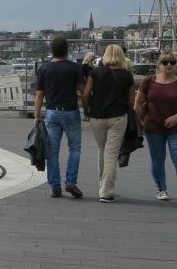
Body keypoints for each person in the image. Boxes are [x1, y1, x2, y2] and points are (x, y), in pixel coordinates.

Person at [83, 45, 135, 204]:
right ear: (121, 56)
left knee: (102, 149)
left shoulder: (95, 72)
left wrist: (87, 110)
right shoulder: (127, 76)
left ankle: (102, 183)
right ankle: (106, 191)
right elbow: (131, 101)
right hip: (118, 117)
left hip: (97, 117)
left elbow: (85, 94)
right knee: (111, 154)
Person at [34, 36, 84, 198]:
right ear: (67, 50)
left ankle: (55, 186)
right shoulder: (75, 68)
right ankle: (70, 182)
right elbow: (83, 91)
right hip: (71, 111)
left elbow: (39, 94)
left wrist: (37, 115)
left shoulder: (44, 68)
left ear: (52, 51)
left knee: (53, 151)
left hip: (52, 112)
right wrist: (88, 107)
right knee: (75, 148)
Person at [135, 51, 177, 201]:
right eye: (166, 62)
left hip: (175, 128)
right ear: (159, 65)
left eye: (172, 62)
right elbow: (137, 103)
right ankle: (161, 189)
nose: (169, 65)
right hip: (153, 127)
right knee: (158, 159)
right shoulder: (149, 80)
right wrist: (140, 120)